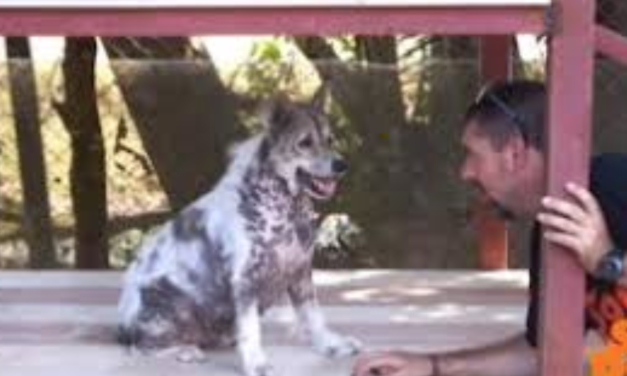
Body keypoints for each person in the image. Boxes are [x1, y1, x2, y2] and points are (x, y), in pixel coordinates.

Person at [352, 80, 627, 376]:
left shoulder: (614, 181)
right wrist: (434, 366)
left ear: (514, 153)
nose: (465, 171)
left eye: (473, 154)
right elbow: (541, 350)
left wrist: (608, 261)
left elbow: (606, 262)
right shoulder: (550, 227)